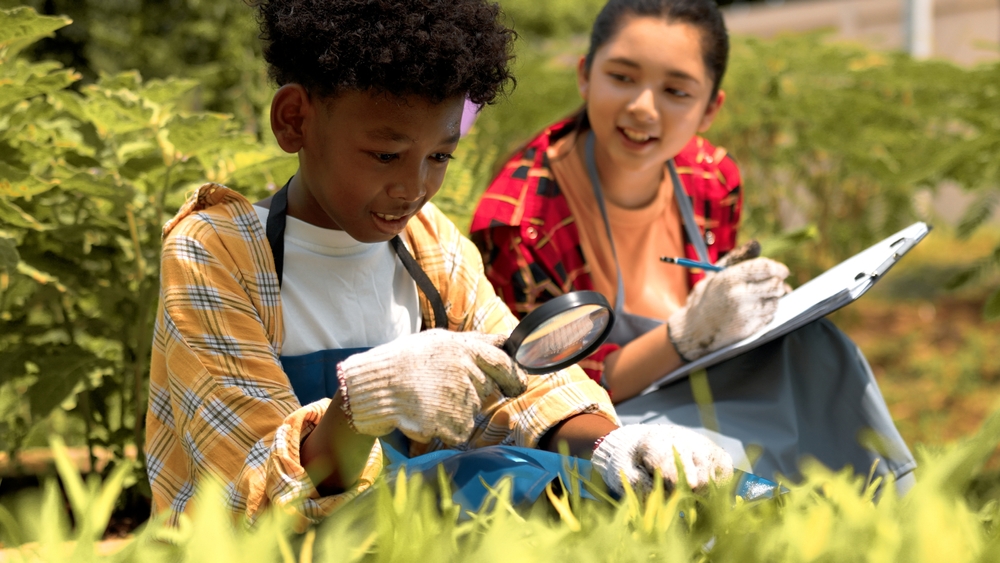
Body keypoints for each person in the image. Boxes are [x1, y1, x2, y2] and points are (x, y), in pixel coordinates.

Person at [145, 0, 736, 529]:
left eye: (440, 156)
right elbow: (255, 491)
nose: (413, 187)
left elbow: (525, 385)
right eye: (386, 154)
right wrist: (368, 401)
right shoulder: (216, 251)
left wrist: (617, 449)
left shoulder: (431, 245)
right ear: (296, 119)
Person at [470, 0, 916, 488]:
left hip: (694, 382)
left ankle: (884, 497)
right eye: (621, 78)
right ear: (584, 76)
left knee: (816, 345)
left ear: (709, 109)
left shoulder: (711, 177)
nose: (643, 107)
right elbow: (542, 393)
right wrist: (687, 333)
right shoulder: (520, 220)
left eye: (676, 91)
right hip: (603, 425)